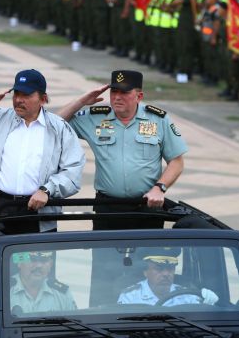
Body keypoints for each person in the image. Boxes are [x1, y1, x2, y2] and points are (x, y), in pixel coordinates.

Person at [0, 69, 85, 233]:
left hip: (37, 211)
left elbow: (73, 170)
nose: (19, 100)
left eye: (26, 95)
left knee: (36, 259)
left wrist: (48, 190)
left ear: (43, 99)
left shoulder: (59, 128)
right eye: (16, 94)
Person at [58, 70, 187, 230]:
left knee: (146, 254)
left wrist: (159, 188)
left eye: (124, 92)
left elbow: (176, 162)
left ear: (139, 96)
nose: (117, 97)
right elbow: (55, 124)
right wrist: (81, 101)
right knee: (106, 254)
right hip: (107, 207)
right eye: (114, 91)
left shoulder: (158, 119)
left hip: (146, 206)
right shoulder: (96, 118)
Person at [117, 251, 218, 307]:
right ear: (145, 272)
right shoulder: (130, 296)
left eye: (170, 268)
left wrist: (208, 304)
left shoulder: (187, 295)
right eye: (158, 268)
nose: (166, 274)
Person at [9, 251, 76, 315]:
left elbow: (75, 323)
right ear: (19, 262)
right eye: (33, 259)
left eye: (44, 260)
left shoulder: (62, 294)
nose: (39, 265)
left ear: (51, 264)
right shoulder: (4, 291)